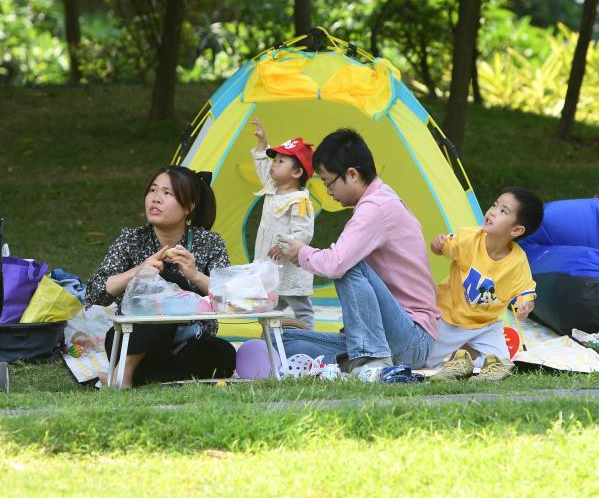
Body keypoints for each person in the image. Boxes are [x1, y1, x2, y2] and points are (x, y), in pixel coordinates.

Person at [279, 129, 439, 377]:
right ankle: (356, 358)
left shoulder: (376, 207)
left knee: (345, 263)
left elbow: (335, 264)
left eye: (327, 182)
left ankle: (371, 358)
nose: (328, 191)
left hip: (412, 339)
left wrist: (302, 253)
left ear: (352, 174)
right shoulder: (379, 200)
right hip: (391, 336)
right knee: (282, 343)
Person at [84, 165, 236, 388]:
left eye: (167, 193)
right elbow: (94, 292)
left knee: (225, 354)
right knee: (164, 284)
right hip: (131, 342)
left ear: (189, 207)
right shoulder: (131, 239)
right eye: (153, 190)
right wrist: (138, 272)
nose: (156, 199)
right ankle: (125, 372)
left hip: (187, 344)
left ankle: (135, 376)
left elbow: (233, 300)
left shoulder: (210, 242)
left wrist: (195, 275)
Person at [425, 187, 543, 382]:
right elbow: (442, 247)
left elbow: (526, 289)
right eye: (495, 205)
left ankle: (465, 360)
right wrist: (437, 244)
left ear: (516, 230)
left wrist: (525, 304)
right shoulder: (468, 238)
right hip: (452, 318)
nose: (493, 212)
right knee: (426, 360)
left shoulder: (517, 261)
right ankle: (461, 358)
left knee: (501, 362)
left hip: (486, 323)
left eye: (503, 211)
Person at [249, 118, 317, 328]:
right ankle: (270, 341)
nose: (273, 165)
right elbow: (262, 165)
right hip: (271, 268)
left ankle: (310, 339)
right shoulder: (272, 187)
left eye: (280, 162)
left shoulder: (299, 201)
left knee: (302, 309)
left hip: (291, 270)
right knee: (269, 309)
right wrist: (262, 142)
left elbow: (304, 232)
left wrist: (283, 245)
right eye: (275, 160)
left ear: (296, 172)